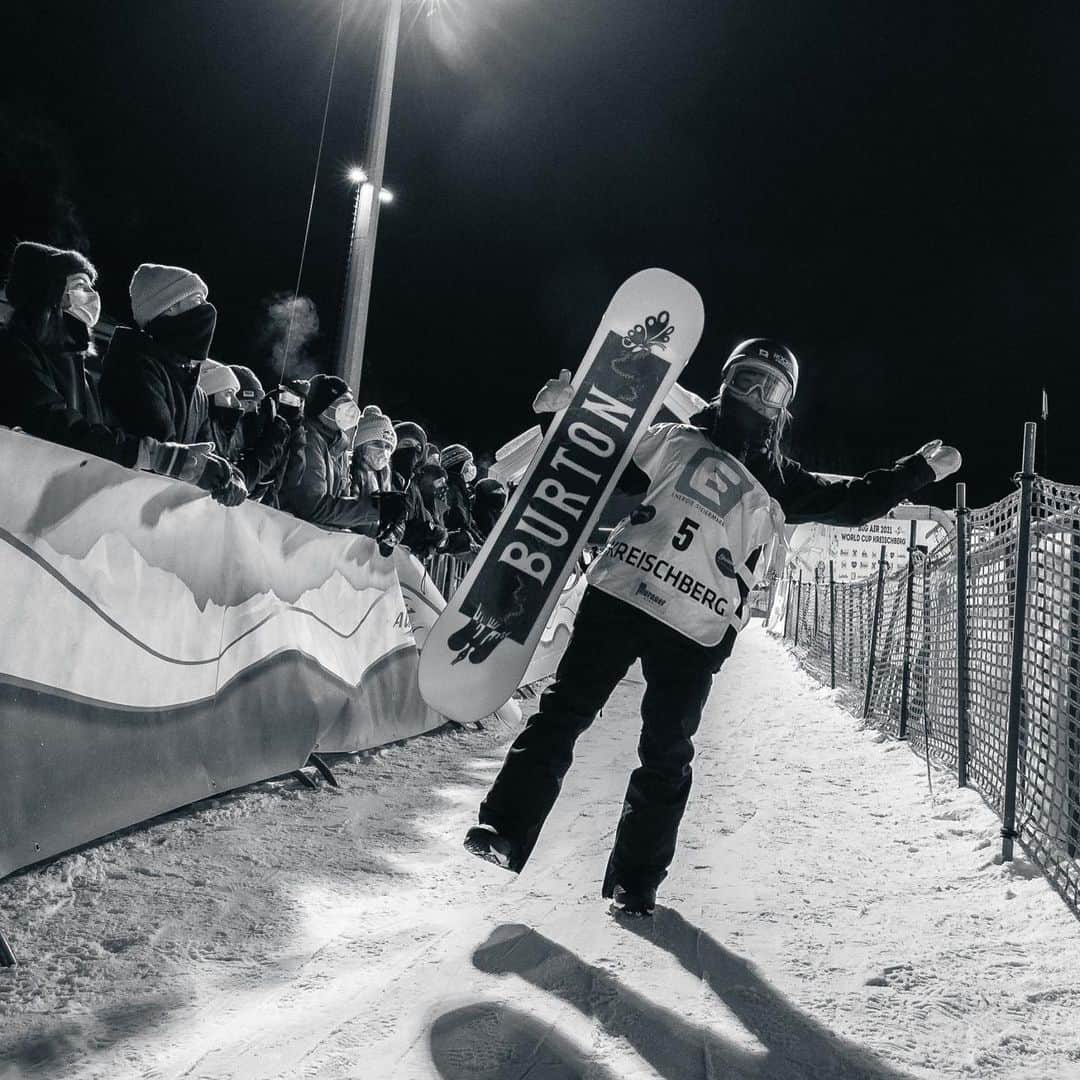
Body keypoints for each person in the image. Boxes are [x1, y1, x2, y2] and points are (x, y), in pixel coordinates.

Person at [464, 337, 962, 916]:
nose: (752, 396)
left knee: (666, 751)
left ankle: (636, 879)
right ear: (724, 382)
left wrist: (918, 470)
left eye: (768, 389)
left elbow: (852, 501)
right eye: (745, 380)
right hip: (623, 593)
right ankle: (504, 828)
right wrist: (562, 417)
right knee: (563, 714)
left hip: (696, 622)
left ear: (783, 407)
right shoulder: (673, 439)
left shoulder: (782, 480)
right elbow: (604, 469)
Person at [0, 242, 239, 502]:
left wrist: (225, 475)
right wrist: (157, 456)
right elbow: (56, 424)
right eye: (80, 285)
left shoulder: (81, 369)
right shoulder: (14, 349)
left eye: (91, 286)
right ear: (49, 289)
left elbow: (97, 436)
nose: (92, 295)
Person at [99, 262, 245, 505]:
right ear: (168, 308)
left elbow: (211, 455)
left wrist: (232, 478)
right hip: (121, 510)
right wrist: (210, 472)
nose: (208, 311)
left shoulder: (194, 389)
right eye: (197, 301)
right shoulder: (134, 366)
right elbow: (162, 448)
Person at [277, 374, 403, 539]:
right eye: (342, 403)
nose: (350, 410)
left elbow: (341, 511)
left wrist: (382, 524)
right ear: (324, 407)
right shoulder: (308, 439)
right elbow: (313, 507)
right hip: (288, 539)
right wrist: (375, 509)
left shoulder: (340, 448)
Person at [392, 421, 447, 559]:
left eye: (418, 448)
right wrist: (429, 532)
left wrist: (426, 545)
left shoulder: (412, 485)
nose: (411, 452)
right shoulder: (386, 475)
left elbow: (420, 518)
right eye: (406, 444)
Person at [350, 405, 397, 497]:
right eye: (376, 444)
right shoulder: (348, 475)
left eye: (388, 446)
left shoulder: (385, 478)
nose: (383, 451)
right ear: (361, 446)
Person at [470, 477, 508, 542]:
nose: (502, 493)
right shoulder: (482, 516)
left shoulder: (495, 512)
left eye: (502, 490)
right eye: (497, 490)